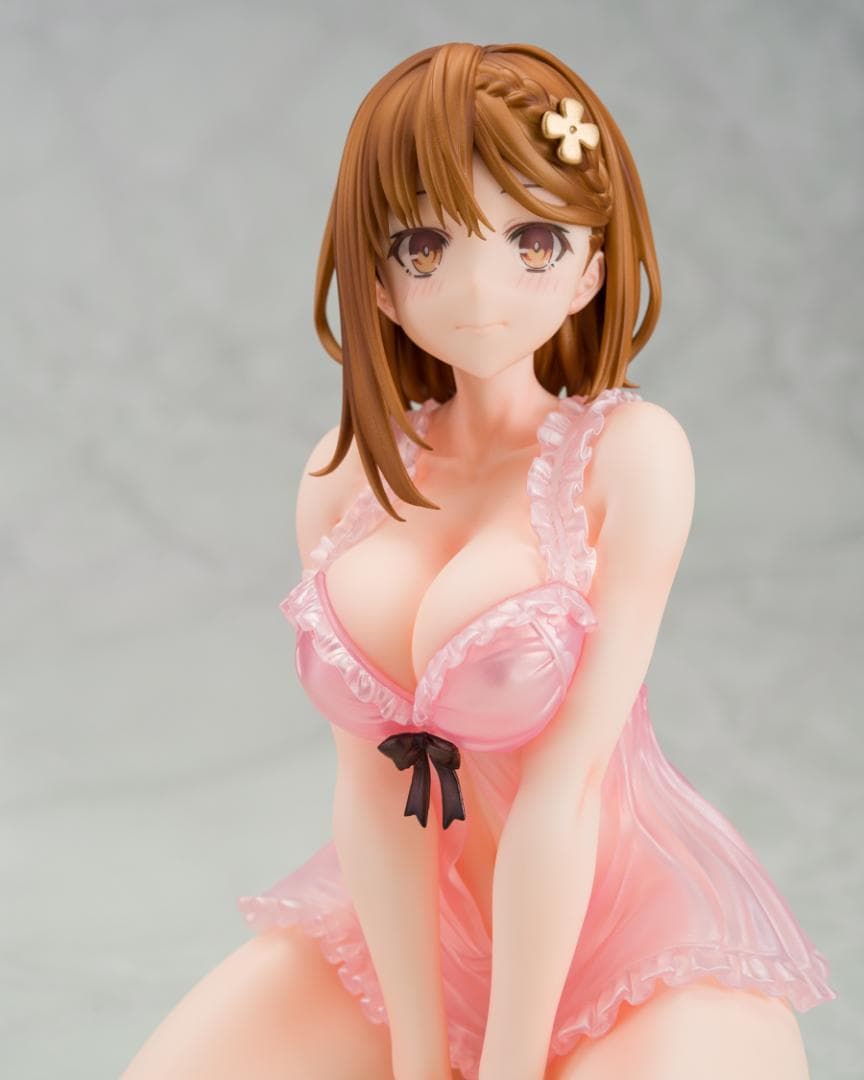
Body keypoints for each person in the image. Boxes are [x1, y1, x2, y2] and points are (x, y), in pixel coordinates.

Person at [123, 41, 836, 1080]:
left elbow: (565, 788)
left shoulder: (629, 459)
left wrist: (505, 1067)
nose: (479, 287)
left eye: (534, 240)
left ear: (593, 269)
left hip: (609, 936)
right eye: (424, 246)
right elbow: (375, 794)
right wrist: (418, 1058)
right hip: (422, 942)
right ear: (376, 283)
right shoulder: (342, 475)